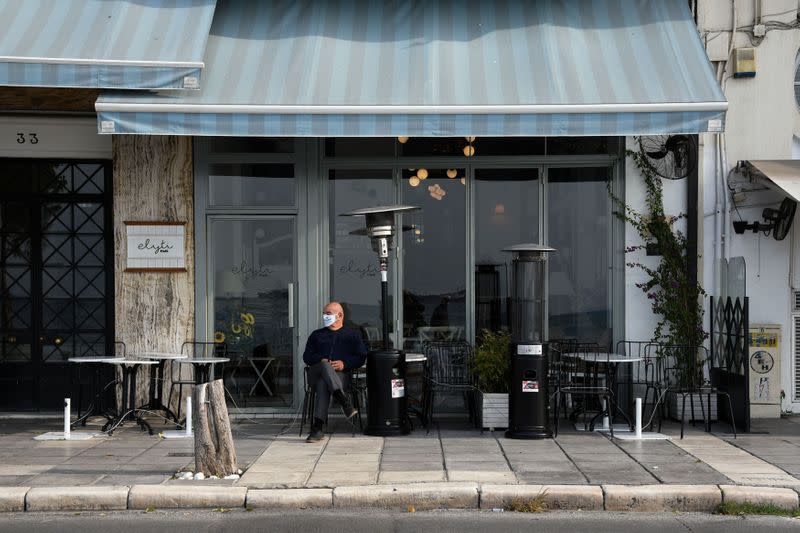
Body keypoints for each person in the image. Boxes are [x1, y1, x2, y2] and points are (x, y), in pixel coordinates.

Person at [302, 301, 367, 442]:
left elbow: (361, 357)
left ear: (340, 315)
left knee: (323, 384)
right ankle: (344, 402)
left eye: (328, 314)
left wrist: (344, 364)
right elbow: (306, 357)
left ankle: (317, 428)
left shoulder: (352, 335)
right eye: (324, 314)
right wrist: (322, 359)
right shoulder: (316, 335)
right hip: (315, 373)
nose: (325, 316)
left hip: (341, 376)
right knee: (325, 366)